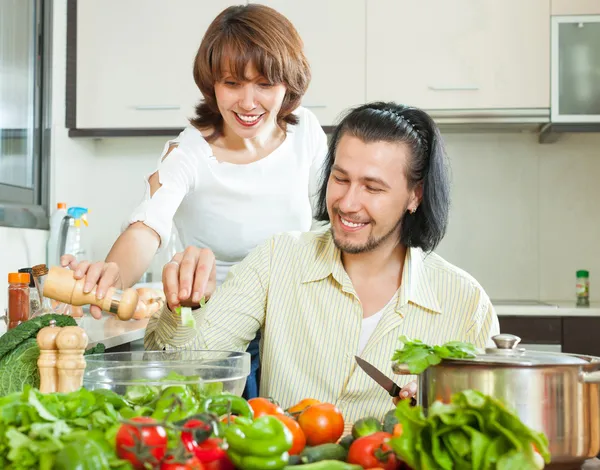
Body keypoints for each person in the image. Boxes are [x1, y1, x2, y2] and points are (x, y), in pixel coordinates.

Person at [144, 101, 501, 423]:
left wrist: (443, 417)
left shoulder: (466, 304)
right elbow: (183, 375)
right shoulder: (277, 259)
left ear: (414, 195)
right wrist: (183, 309)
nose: (347, 202)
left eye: (372, 188)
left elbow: (487, 432)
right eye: (340, 178)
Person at [60, 4, 328, 400]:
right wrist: (113, 274)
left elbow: (328, 220)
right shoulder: (188, 152)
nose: (248, 102)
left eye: (265, 83)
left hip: (288, 324)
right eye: (233, 83)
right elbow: (148, 226)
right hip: (214, 334)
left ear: (288, 84)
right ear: (211, 84)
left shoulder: (306, 131)